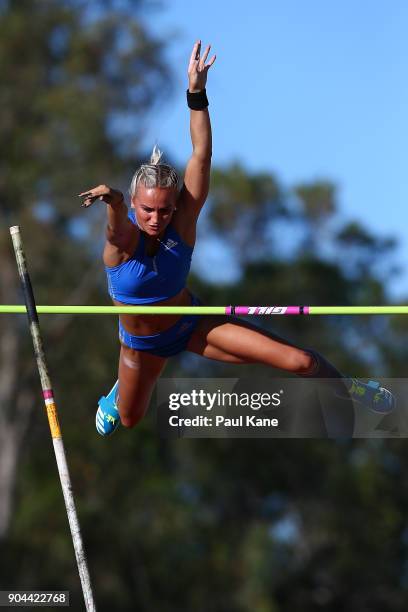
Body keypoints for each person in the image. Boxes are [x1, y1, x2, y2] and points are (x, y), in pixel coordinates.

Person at [79, 40, 394, 436]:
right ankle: (115, 392)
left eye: (163, 210)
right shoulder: (122, 243)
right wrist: (113, 199)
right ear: (134, 207)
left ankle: (349, 388)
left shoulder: (183, 221)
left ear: (175, 207)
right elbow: (115, 226)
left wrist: (196, 93)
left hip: (190, 324)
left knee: (299, 361)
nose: (156, 218)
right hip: (139, 345)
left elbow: (201, 155)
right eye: (146, 210)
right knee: (128, 418)